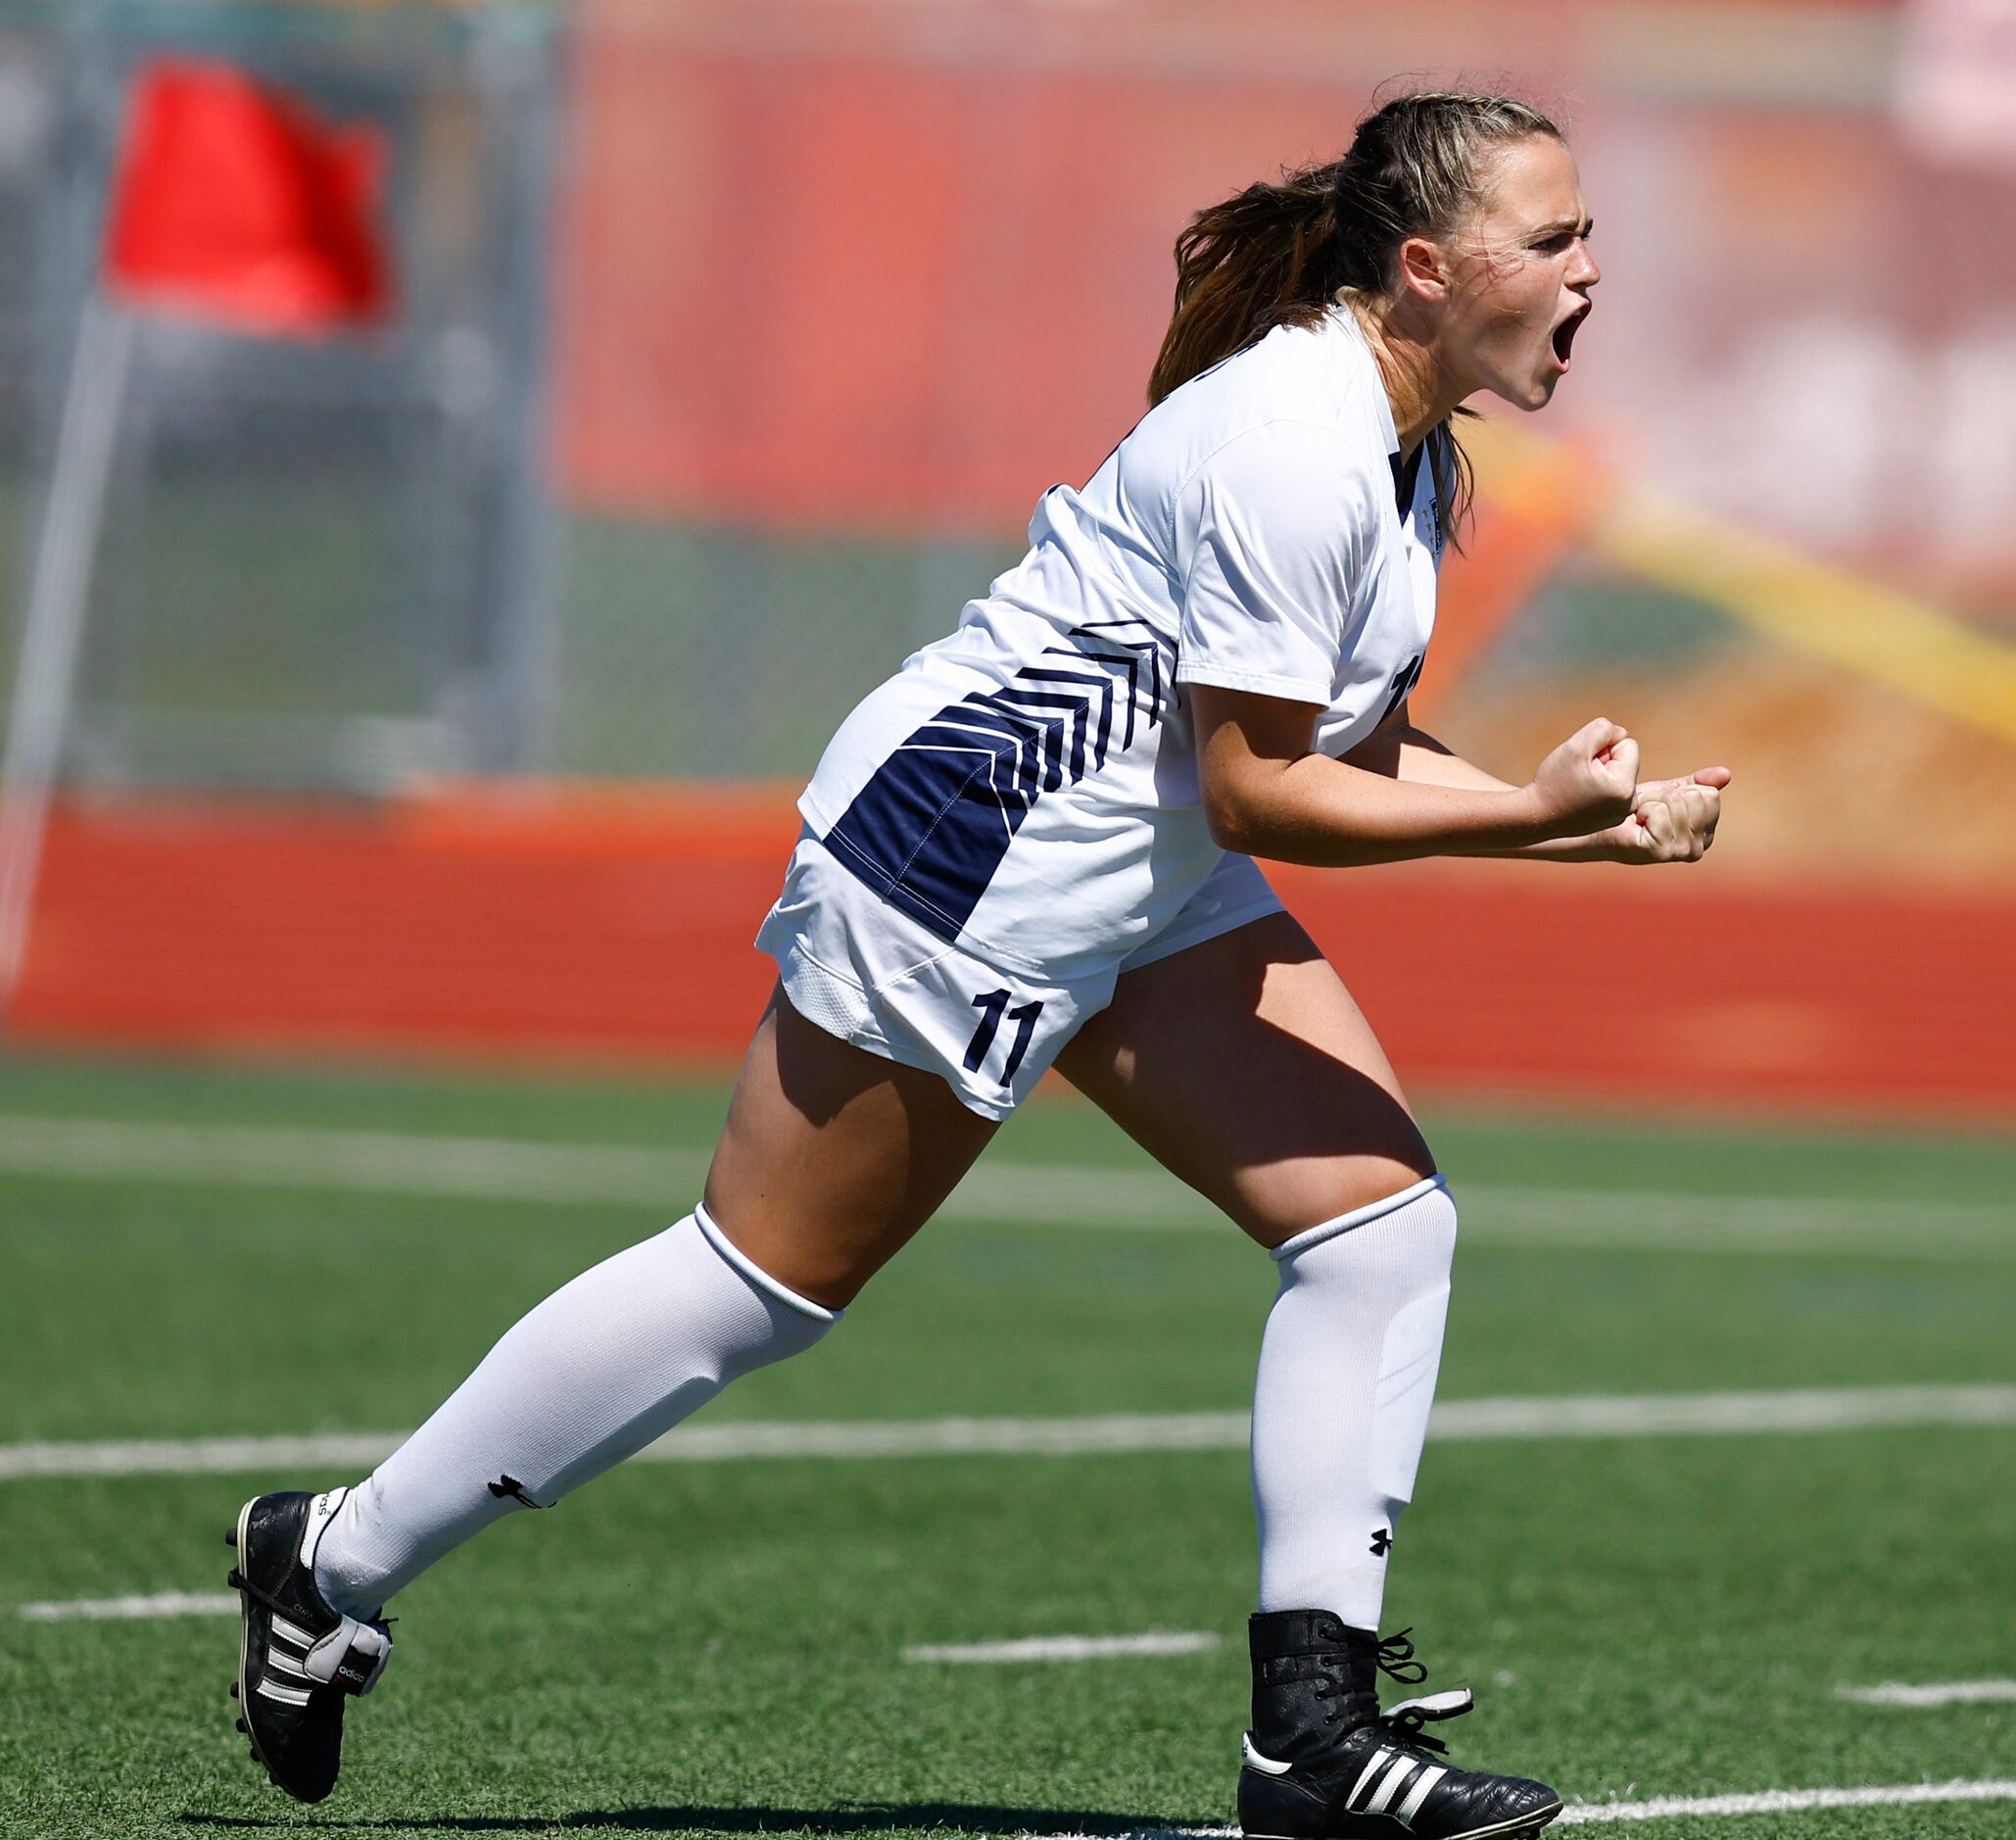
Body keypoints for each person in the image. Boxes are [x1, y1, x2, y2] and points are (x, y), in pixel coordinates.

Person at [222, 90, 1725, 1840]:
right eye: (1554, 240)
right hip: (971, 867)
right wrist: (1531, 819)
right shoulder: (1294, 441)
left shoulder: (1407, 443)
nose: (1589, 270)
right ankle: (328, 1557)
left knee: (1380, 1224)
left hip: (1137, 878)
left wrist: (1574, 819)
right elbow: (1260, 785)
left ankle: (1306, 1739)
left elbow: (1334, 744)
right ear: (1424, 265)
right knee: (759, 1284)